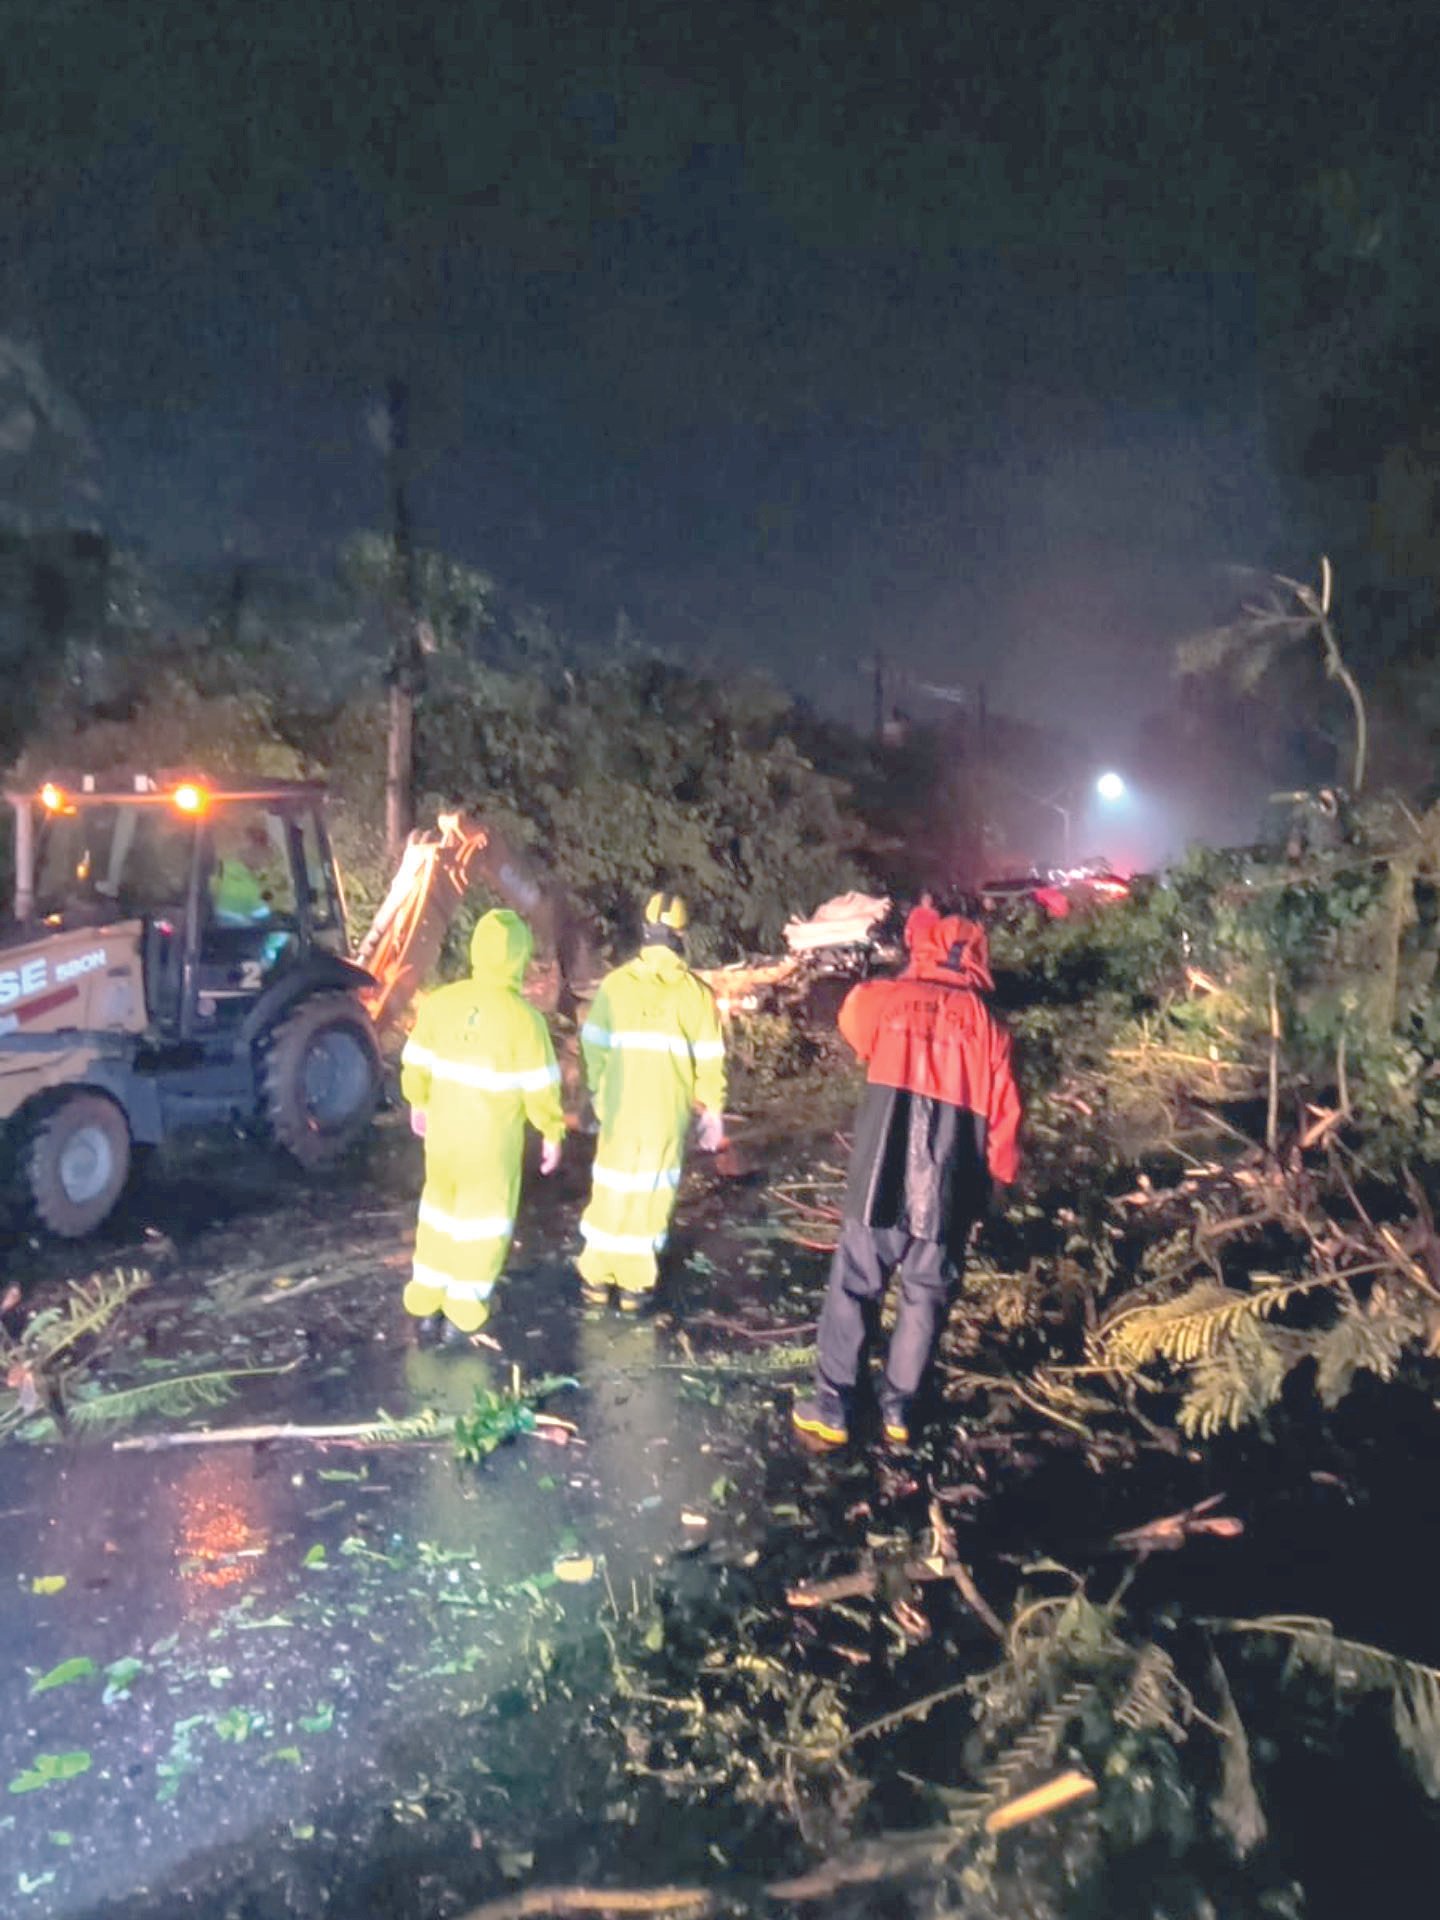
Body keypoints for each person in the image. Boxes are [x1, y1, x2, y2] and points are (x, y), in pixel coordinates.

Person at [792, 912, 1021, 1449]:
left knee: (855, 1284)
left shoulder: (889, 1000)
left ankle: (833, 1405)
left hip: (880, 1175)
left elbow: (852, 1020)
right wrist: (998, 1183)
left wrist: (901, 978)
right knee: (925, 1295)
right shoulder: (989, 1026)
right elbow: (1006, 1118)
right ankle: (898, 1409)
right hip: (949, 1188)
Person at [401, 909, 565, 1337]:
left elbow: (415, 1061)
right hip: (491, 1146)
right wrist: (552, 1131)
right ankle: (462, 1312)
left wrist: (418, 1101)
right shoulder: (525, 1021)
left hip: (442, 1137)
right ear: (521, 959)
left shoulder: (441, 1003)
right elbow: (542, 1088)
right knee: (484, 1225)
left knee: (437, 1213)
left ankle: (424, 1305)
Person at [577, 890, 727, 1309]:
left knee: (610, 1189)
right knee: (651, 1194)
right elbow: (710, 1061)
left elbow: (592, 1048)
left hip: (618, 1111)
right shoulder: (695, 995)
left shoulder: (615, 986)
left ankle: (595, 1278)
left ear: (646, 932)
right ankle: (634, 1286)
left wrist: (594, 1095)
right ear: (680, 935)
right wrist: (712, 1111)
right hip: (665, 1114)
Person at [903, 888, 940, 957]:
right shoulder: (915, 912)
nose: (927, 901)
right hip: (917, 947)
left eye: (929, 899)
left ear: (932, 901)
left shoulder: (935, 914)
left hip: (930, 948)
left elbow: (938, 930)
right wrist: (907, 941)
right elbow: (908, 928)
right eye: (925, 899)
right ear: (921, 900)